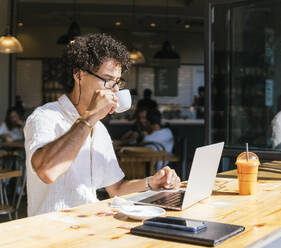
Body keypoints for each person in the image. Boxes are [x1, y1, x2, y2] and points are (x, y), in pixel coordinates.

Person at [24, 33, 180, 216]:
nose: (115, 90)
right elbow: (47, 171)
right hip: (51, 233)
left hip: (90, 225)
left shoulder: (99, 129)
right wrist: (90, 118)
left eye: (117, 82)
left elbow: (116, 189)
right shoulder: (45, 117)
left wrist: (151, 183)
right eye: (107, 80)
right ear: (79, 75)